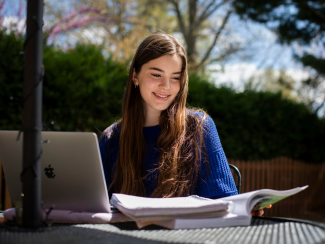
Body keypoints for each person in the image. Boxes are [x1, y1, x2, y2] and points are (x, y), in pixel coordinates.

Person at [99, 33, 269, 216]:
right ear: (135, 76)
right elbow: (96, 206)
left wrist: (244, 208)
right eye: (156, 74)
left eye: (175, 77)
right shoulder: (111, 138)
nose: (166, 86)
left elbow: (224, 202)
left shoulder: (199, 128)